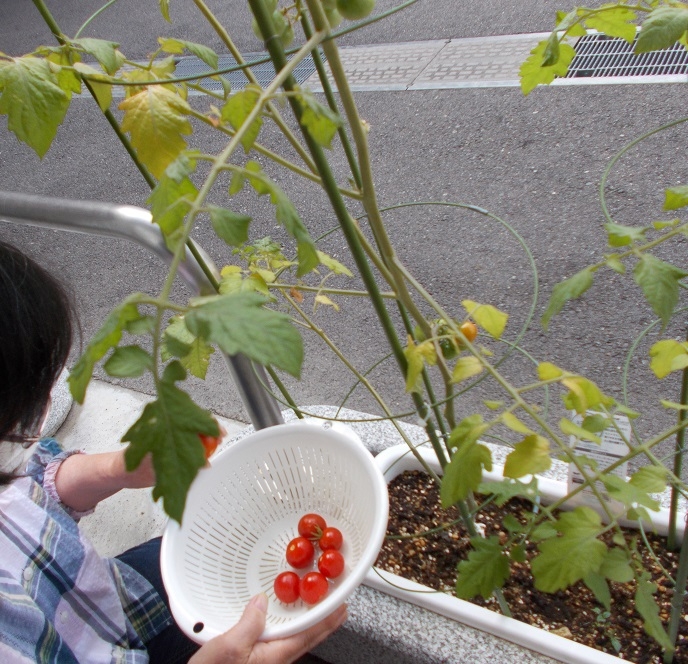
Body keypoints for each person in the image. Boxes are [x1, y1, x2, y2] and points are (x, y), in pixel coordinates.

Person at [0, 239, 346, 663]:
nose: (46, 407)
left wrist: (117, 468)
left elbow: (26, 489)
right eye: (22, 417)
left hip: (122, 602)